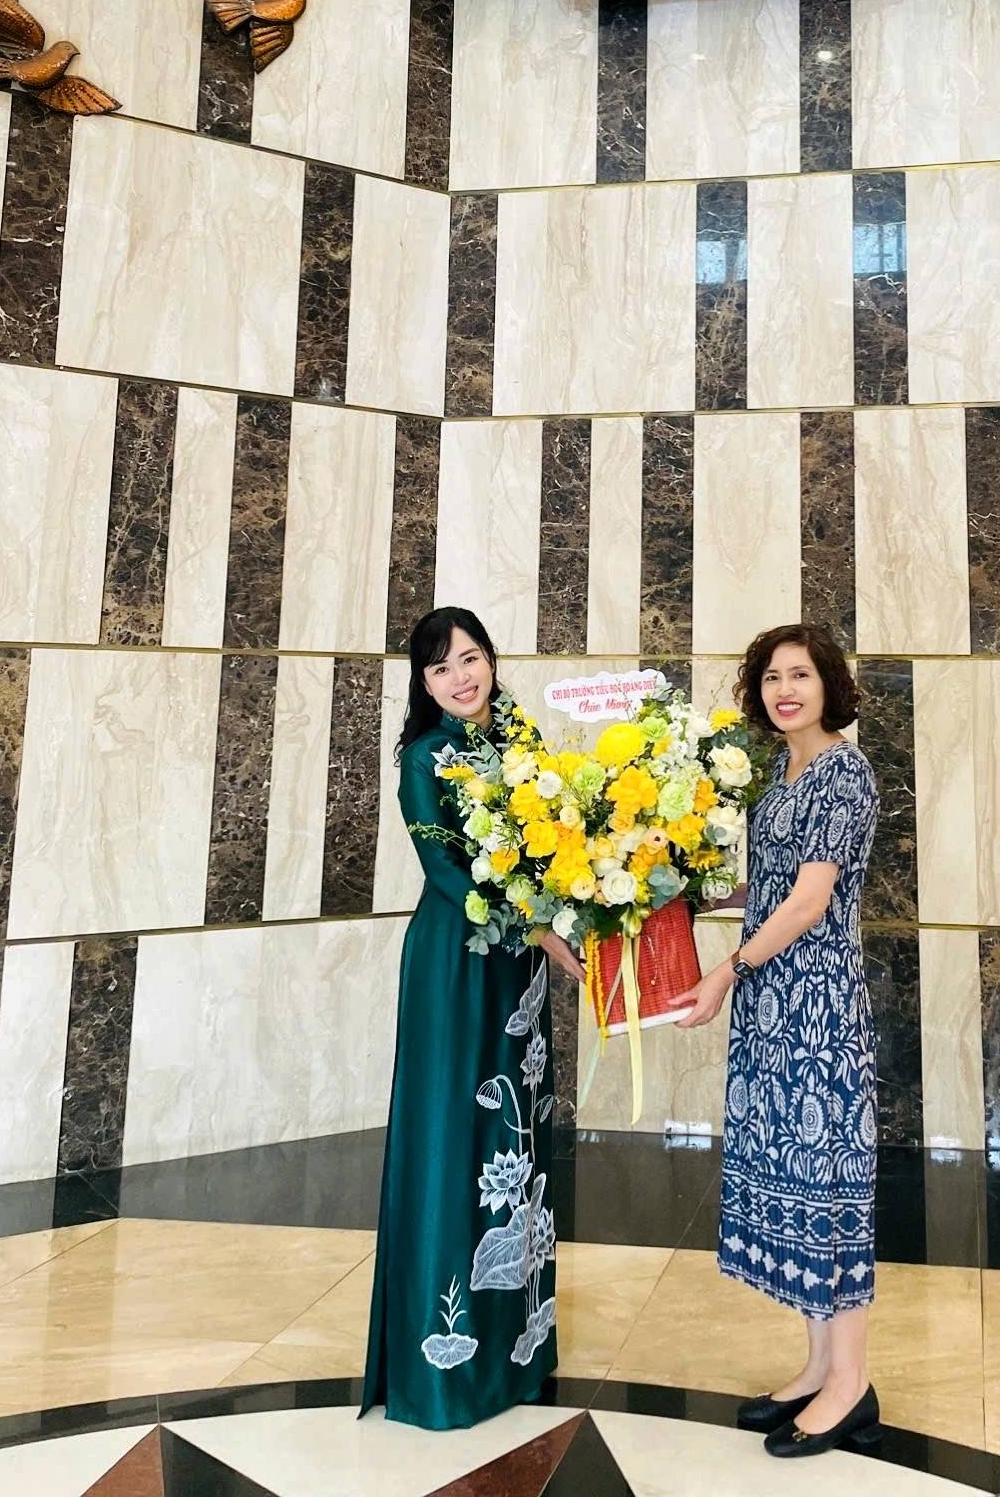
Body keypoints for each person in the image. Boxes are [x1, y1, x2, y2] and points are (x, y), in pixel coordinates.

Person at [361, 606, 585, 1431]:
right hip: (457, 963)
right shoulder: (424, 760)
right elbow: (446, 873)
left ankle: (513, 1350)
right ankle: (445, 1366)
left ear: (491, 659)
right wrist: (539, 927)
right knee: (454, 1138)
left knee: (515, 1136)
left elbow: (557, 843)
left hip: (517, 961)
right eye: (439, 667)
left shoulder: (523, 747)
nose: (460, 676)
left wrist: (574, 906)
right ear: (422, 685)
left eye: (470, 657)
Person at [670, 623, 881, 1459]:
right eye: (769, 678)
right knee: (791, 1180)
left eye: (799, 675)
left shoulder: (843, 771)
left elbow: (810, 905)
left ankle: (852, 1384)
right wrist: (694, 902)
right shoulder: (783, 772)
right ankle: (819, 1364)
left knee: (830, 1191)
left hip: (817, 1013)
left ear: (829, 684)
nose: (783, 690)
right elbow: (774, 888)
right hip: (773, 1002)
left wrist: (725, 971)